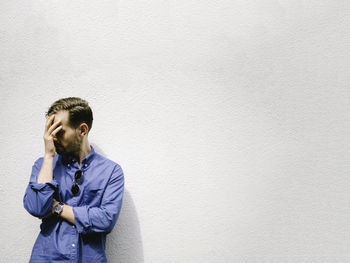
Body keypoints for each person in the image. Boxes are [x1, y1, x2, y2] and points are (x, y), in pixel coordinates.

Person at [23, 97, 125, 262]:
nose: (52, 138)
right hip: (46, 258)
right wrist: (49, 156)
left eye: (59, 132)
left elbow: (105, 220)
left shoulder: (111, 171)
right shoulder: (43, 166)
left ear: (82, 130)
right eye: (50, 132)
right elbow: (37, 207)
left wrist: (56, 206)